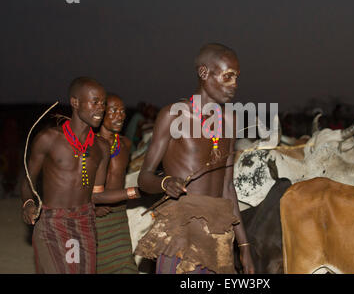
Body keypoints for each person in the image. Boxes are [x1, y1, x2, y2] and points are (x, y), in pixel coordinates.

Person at [135, 43, 255, 274]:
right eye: (228, 76)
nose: (234, 85)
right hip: (180, 227)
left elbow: (228, 187)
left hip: (217, 229)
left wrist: (244, 246)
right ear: (204, 73)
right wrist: (165, 182)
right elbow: (144, 177)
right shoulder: (173, 114)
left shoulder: (230, 121)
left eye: (237, 77)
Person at [21, 77, 110, 274]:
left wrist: (137, 191)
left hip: (85, 221)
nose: (101, 108)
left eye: (103, 103)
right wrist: (28, 203)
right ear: (75, 102)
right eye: (94, 101)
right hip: (52, 221)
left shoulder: (102, 148)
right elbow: (28, 178)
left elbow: (97, 195)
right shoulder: (49, 139)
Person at [93, 94, 139, 273]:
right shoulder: (90, 144)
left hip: (118, 213)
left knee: (125, 265)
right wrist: (92, 205)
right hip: (93, 214)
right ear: (101, 113)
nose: (120, 116)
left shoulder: (125, 144)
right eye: (113, 111)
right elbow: (77, 182)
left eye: (122, 111)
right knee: (96, 265)